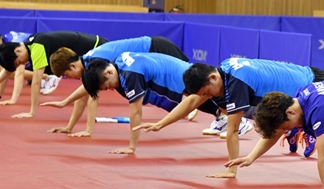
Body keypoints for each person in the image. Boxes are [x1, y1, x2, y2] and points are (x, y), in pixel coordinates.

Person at [133, 57, 324, 178]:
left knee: (308, 126)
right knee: (274, 119)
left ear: (212, 78)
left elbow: (232, 131)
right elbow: (193, 101)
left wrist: (232, 170)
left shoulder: (236, 82)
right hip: (301, 84)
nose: (207, 97)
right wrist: (161, 124)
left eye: (207, 92)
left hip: (313, 86)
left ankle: (302, 129)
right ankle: (294, 129)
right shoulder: (224, 69)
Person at [43, 36, 190, 138]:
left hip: (157, 48)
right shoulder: (88, 62)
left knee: (192, 81)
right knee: (187, 87)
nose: (69, 78)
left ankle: (203, 110)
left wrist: (88, 130)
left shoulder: (95, 62)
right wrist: (68, 121)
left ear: (73, 65)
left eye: (67, 74)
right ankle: (190, 106)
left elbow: (93, 98)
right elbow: (85, 93)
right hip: (152, 51)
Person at [81, 52, 222, 154]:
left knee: (212, 99)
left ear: (108, 73)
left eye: (108, 86)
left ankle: (234, 119)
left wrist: (131, 147)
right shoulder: (119, 62)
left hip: (178, 78)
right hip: (177, 69)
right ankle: (227, 116)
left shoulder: (130, 74)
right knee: (206, 102)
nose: (111, 89)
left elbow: (136, 112)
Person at [0, 31, 107, 118]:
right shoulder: (30, 44)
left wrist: (31, 112)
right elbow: (7, 72)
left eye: (19, 62)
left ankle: (87, 128)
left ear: (18, 51)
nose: (22, 64)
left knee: (93, 89)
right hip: (93, 46)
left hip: (98, 47)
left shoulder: (37, 48)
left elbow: (36, 83)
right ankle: (74, 126)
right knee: (86, 90)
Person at [0, 30, 58, 103]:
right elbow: (6, 69)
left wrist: (13, 99)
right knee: (9, 69)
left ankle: (48, 76)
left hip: (44, 55)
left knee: (13, 73)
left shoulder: (14, 45)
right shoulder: (6, 44)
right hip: (32, 58)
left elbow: (19, 74)